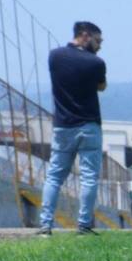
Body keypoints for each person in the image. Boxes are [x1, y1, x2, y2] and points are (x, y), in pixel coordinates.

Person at [37, 21, 106, 237]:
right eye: (97, 40)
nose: (100, 45)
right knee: (88, 177)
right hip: (89, 126)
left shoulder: (54, 56)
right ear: (85, 36)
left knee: (55, 176)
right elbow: (101, 86)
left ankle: (45, 226)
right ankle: (83, 226)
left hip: (63, 126)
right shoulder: (96, 63)